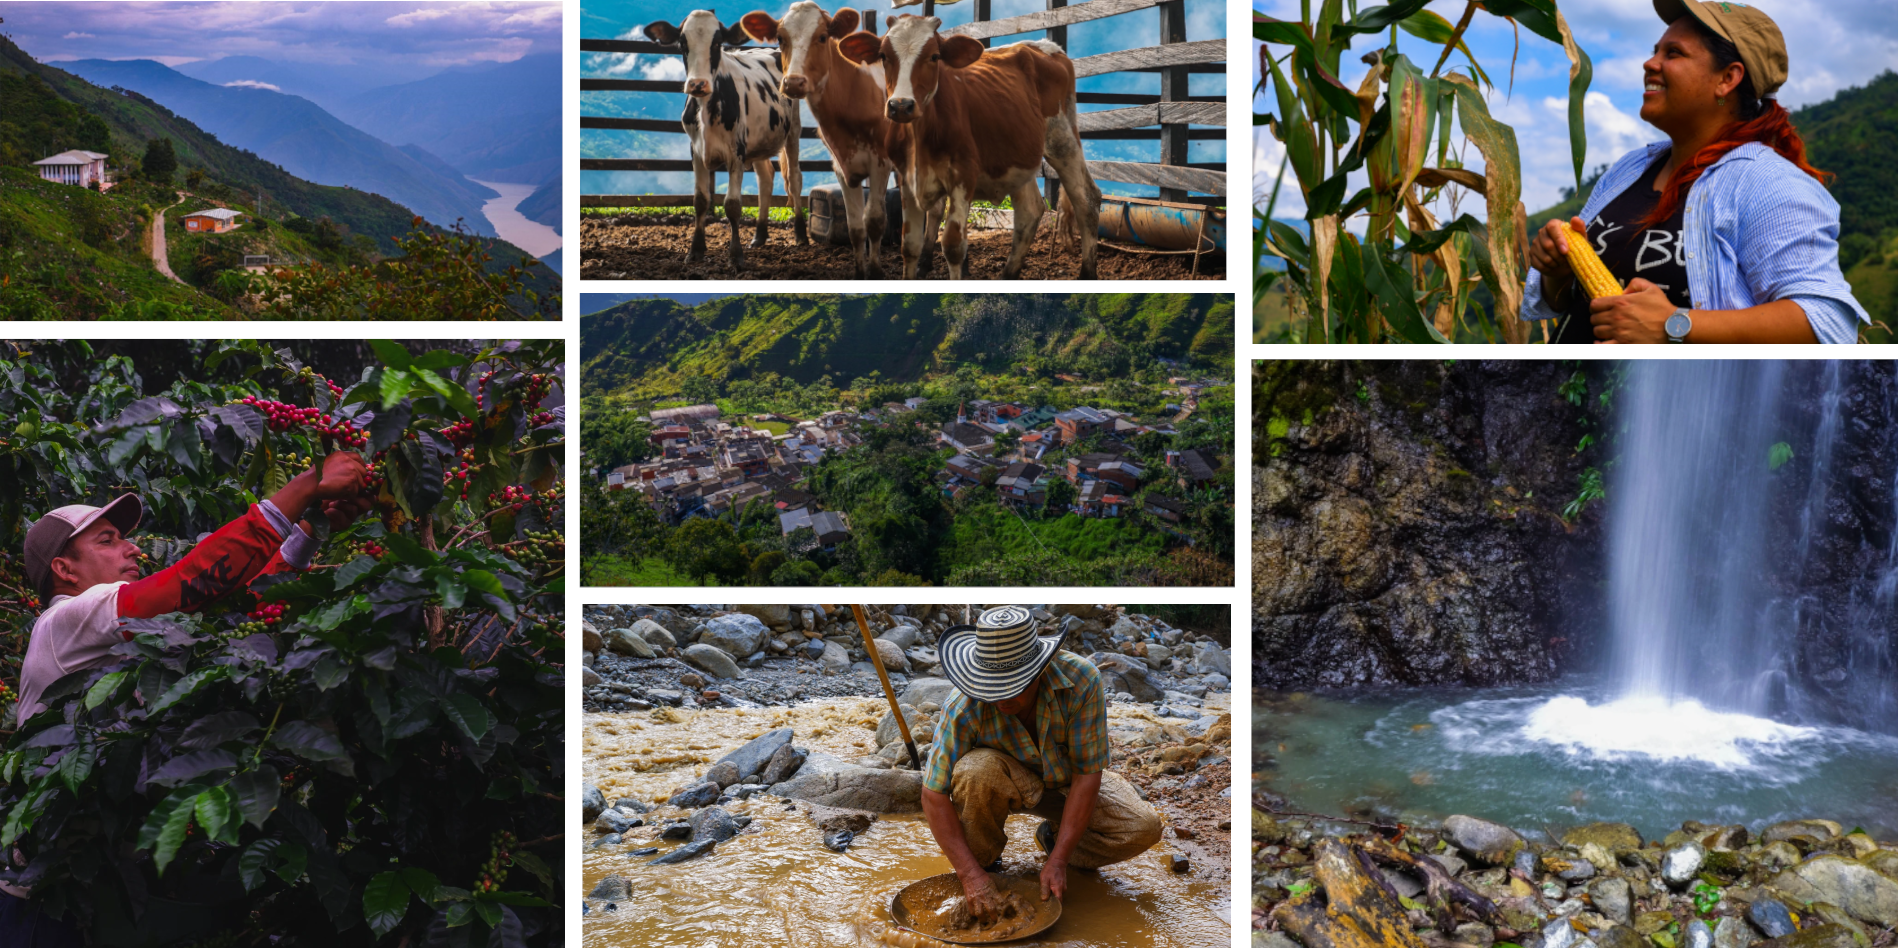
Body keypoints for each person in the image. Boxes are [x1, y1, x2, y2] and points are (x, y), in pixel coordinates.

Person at [0, 450, 374, 943]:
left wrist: (305, 534)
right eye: (108, 541)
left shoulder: (132, 635)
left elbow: (233, 612)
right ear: (65, 570)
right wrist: (301, 489)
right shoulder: (67, 618)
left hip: (102, 883)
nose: (132, 549)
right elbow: (186, 585)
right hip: (42, 899)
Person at [1523, 0, 1867, 344]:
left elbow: (1829, 324)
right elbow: (1565, 302)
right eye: (1655, 50)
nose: (1649, 63)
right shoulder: (1628, 170)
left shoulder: (1769, 183)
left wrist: (1674, 325)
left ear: (1727, 79)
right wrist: (1557, 272)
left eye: (1673, 53)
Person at [920, 605, 1162, 920]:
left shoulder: (1080, 681)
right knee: (975, 770)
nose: (1001, 697)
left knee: (1143, 828)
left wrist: (1060, 860)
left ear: (1039, 668)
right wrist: (968, 874)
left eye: (1013, 685)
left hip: (1066, 785)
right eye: (992, 687)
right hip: (999, 782)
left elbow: (1087, 774)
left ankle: (1054, 838)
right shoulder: (963, 705)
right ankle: (985, 866)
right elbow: (933, 795)